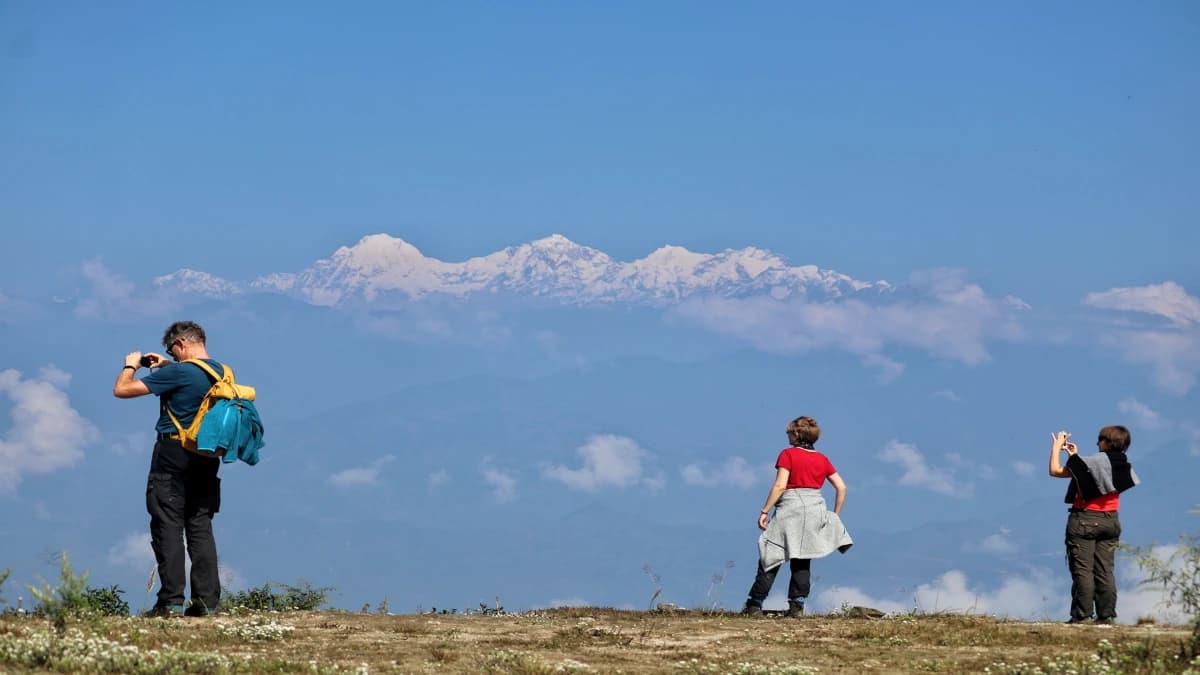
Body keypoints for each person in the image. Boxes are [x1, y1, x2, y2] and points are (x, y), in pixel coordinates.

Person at [113, 321, 226, 617]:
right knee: (199, 525)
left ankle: (170, 601)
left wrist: (130, 365)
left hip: (173, 454)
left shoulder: (179, 372)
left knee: (168, 524)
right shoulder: (222, 372)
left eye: (172, 350)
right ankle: (206, 603)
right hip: (207, 454)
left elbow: (122, 390)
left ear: (182, 343)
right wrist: (167, 365)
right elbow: (190, 381)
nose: (172, 355)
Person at [742, 416, 852, 617]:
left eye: (789, 432)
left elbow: (780, 486)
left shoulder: (788, 455)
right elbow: (842, 487)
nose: (787, 436)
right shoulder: (823, 459)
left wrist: (765, 511)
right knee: (802, 558)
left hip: (791, 509)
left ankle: (754, 604)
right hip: (815, 510)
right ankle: (797, 606)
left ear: (797, 434)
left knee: (771, 553)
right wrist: (835, 516)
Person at [1048, 426, 1139, 625]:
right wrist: (1074, 456)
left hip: (1085, 520)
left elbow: (1055, 470)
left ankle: (1082, 615)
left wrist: (1056, 447)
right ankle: (1106, 616)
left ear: (1108, 442)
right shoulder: (1123, 464)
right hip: (1111, 520)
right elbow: (1095, 476)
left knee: (1083, 570)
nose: (1097, 443)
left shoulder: (1093, 462)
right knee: (1105, 571)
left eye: (1100, 439)